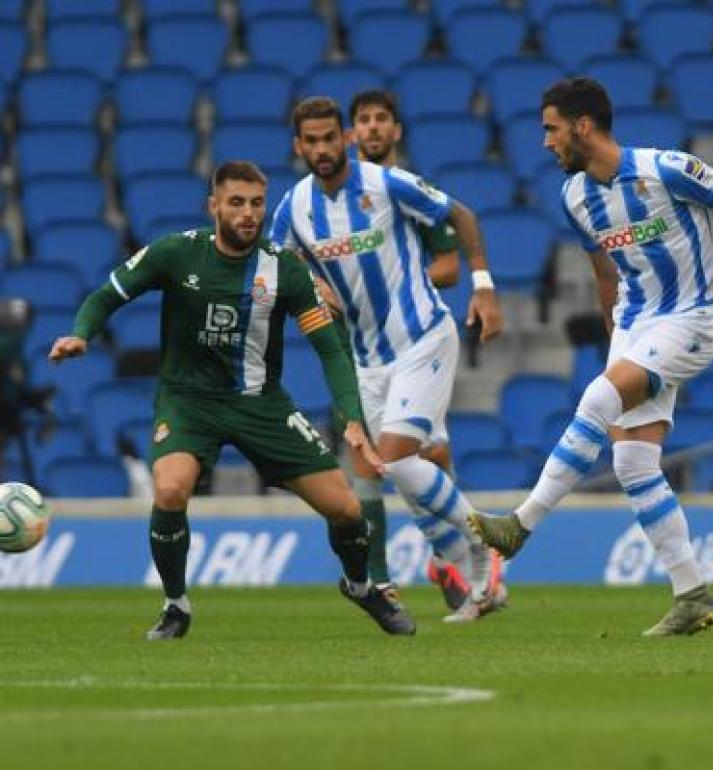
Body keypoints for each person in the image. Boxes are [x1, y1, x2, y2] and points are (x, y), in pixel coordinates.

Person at [48, 161, 415, 639]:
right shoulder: (176, 252)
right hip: (188, 402)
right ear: (213, 206)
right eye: (236, 202)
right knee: (170, 490)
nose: (248, 213)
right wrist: (81, 333)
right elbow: (107, 295)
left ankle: (361, 586)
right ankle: (175, 606)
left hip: (260, 403)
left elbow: (329, 348)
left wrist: (350, 418)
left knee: (346, 510)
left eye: (257, 203)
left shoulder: (284, 269)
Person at [469, 77, 713, 636]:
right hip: (634, 328)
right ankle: (692, 595)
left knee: (596, 398)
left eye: (552, 129)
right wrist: (616, 333)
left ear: (582, 127)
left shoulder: (667, 169)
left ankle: (520, 524)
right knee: (633, 464)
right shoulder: (574, 196)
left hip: (690, 320)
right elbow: (603, 271)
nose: (545, 142)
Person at [270, 97, 505, 623]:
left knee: (398, 458)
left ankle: (486, 541)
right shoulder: (295, 206)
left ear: (345, 139)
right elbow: (275, 267)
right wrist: (307, 289)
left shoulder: (386, 183)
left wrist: (484, 287)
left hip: (421, 336)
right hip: (366, 360)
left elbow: (462, 216)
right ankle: (472, 581)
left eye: (330, 138)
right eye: (312, 141)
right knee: (396, 468)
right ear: (299, 146)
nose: (323, 149)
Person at [340, 89, 505, 613]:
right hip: (360, 347)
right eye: (363, 120)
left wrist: (392, 285)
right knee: (370, 461)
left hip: (413, 343)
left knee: (424, 455)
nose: (372, 128)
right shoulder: (327, 205)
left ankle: (450, 555)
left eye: (381, 119)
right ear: (351, 134)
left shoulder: (411, 192)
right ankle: (383, 577)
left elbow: (449, 267)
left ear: (396, 130)